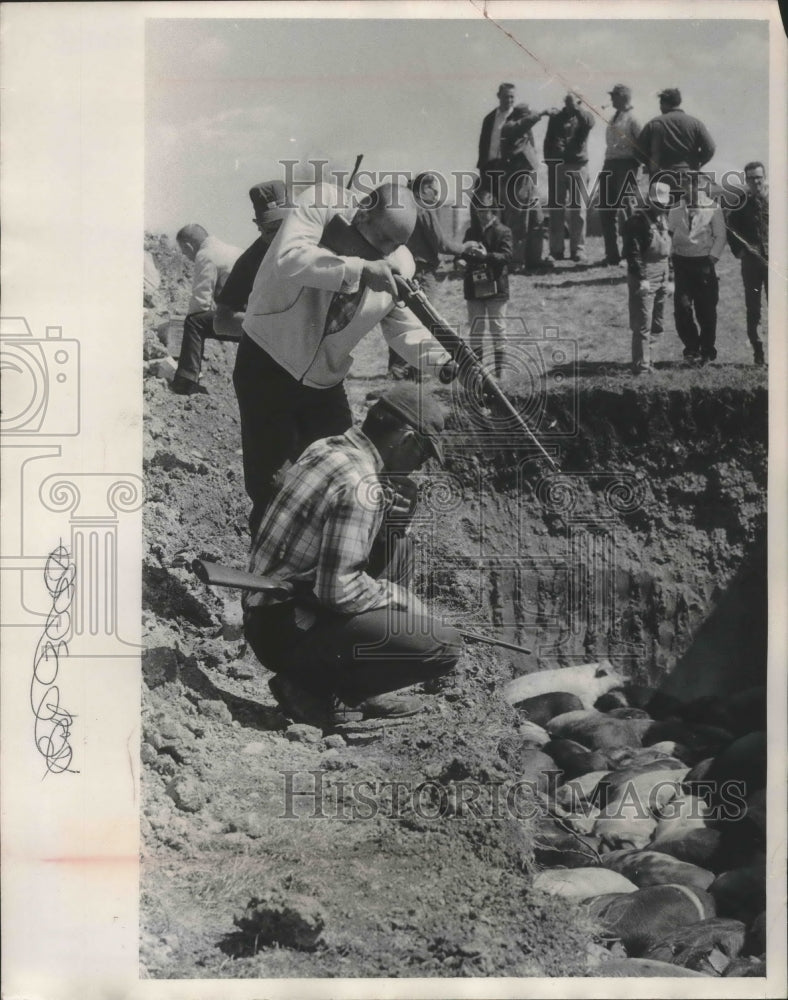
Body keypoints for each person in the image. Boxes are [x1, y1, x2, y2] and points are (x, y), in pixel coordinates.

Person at [233, 181, 458, 536]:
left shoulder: (400, 262)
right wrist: (359, 269)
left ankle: (321, 578)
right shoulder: (321, 203)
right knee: (274, 488)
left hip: (325, 382)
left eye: (396, 245)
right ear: (363, 211)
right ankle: (266, 585)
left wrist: (447, 363)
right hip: (266, 363)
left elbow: (399, 325)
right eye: (383, 239)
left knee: (346, 478)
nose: (387, 252)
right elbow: (288, 259)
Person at [243, 383, 463, 728]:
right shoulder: (361, 484)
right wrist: (400, 599)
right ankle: (311, 687)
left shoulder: (330, 446)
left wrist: (392, 520)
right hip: (286, 630)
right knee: (443, 645)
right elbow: (339, 591)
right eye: (421, 456)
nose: (418, 468)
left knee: (399, 545)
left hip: (271, 610)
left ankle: (365, 685)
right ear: (406, 439)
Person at [387, 172, 482, 380]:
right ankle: (410, 371)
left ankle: (398, 369)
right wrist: (466, 247)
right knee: (423, 321)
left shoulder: (403, 205)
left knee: (403, 321)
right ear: (423, 189)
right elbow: (442, 244)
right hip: (421, 273)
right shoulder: (424, 209)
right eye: (435, 190)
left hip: (401, 271)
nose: (437, 195)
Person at [212, 180, 293, 339]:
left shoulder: (313, 240)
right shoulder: (249, 262)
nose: (280, 237)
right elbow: (221, 322)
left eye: (285, 226)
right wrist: (277, 331)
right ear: (258, 226)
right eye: (271, 230)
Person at [171, 224, 241, 395]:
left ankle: (185, 382)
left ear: (189, 246)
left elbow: (200, 304)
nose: (186, 257)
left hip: (245, 321)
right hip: (260, 317)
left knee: (194, 322)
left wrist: (182, 319)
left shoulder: (205, 254)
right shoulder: (233, 250)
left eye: (185, 252)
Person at [667, 171, 727, 364]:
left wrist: (712, 258)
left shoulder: (713, 208)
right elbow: (669, 234)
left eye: (696, 185)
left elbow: (720, 236)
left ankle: (708, 349)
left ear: (702, 186)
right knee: (682, 308)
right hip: (682, 263)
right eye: (687, 185)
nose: (691, 190)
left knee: (706, 310)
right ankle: (692, 348)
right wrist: (670, 258)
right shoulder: (675, 209)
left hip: (704, 264)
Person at [621, 180, 672, 373]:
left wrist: (671, 279)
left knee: (657, 323)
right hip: (645, 276)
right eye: (657, 203)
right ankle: (641, 367)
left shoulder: (664, 220)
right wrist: (642, 278)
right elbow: (632, 253)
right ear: (650, 201)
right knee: (642, 323)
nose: (660, 207)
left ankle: (651, 361)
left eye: (663, 204)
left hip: (663, 274)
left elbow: (669, 252)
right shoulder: (636, 222)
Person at [462, 189, 513, 378]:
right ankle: (478, 372)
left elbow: (507, 256)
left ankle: (500, 373)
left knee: (498, 329)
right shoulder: (470, 232)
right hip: (474, 288)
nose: (481, 214)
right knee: (475, 329)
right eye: (478, 210)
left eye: (485, 210)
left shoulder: (503, 231)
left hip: (496, 288)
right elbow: (463, 252)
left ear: (493, 209)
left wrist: (487, 256)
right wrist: (460, 260)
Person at [543, 94, 595, 263]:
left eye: (573, 102)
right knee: (556, 209)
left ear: (580, 102)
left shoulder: (585, 116)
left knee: (578, 209)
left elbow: (589, 123)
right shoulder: (556, 118)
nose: (569, 105)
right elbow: (548, 140)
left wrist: (577, 108)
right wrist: (550, 164)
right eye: (567, 102)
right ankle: (556, 250)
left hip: (578, 166)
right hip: (557, 166)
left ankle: (578, 249)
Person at [725, 161, 768, 366]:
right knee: (753, 309)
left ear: (764, 177)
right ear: (746, 180)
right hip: (751, 264)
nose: (756, 181)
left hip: (774, 263)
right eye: (751, 178)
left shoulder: (778, 200)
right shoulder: (740, 202)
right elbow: (730, 228)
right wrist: (740, 251)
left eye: (759, 177)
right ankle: (759, 353)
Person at [500, 102, 553, 268]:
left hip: (528, 179)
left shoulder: (521, 132)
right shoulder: (509, 127)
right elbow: (522, 125)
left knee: (537, 221)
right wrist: (542, 112)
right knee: (519, 223)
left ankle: (534, 260)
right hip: (516, 180)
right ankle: (516, 261)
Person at [599, 84, 642, 266]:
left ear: (623, 97)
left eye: (614, 96)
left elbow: (641, 145)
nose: (611, 99)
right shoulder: (613, 118)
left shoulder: (633, 119)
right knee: (606, 209)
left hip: (626, 165)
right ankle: (612, 255)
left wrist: (635, 167)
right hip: (609, 164)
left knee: (627, 209)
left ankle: (631, 252)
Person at [637, 88, 716, 185]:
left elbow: (638, 151)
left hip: (661, 177)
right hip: (688, 176)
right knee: (690, 200)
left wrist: (651, 164)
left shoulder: (654, 124)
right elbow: (710, 148)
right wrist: (696, 162)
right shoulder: (696, 123)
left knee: (659, 199)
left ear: (663, 103)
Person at [477, 82, 517, 206]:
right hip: (490, 168)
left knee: (508, 205)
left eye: (512, 97)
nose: (509, 100)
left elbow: (528, 143)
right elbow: (483, 145)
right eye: (506, 96)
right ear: (498, 96)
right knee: (488, 204)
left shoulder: (519, 117)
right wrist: (482, 168)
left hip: (510, 169)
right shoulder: (489, 119)